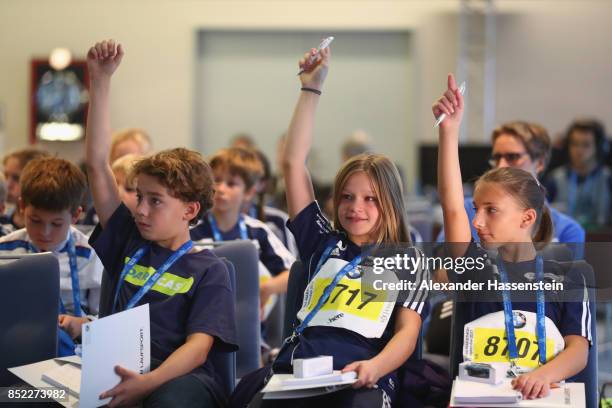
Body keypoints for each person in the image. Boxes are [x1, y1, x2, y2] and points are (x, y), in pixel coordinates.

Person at [235, 45, 428, 408]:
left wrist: (375, 366)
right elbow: (293, 164)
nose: (356, 208)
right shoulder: (322, 241)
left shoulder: (407, 258)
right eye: (347, 197)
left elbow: (407, 334)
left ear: (391, 203)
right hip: (297, 371)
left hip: (363, 374)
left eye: (370, 199)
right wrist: (311, 88)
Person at [85, 39, 237, 408]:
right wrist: (100, 80)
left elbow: (199, 349)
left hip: (181, 378)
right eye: (139, 197)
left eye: (156, 202)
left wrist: (146, 384)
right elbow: (95, 165)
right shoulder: (130, 240)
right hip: (116, 365)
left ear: (189, 210)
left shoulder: (209, 270)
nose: (141, 210)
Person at [434, 74, 591, 400]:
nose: (476, 221)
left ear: (527, 218)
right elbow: (451, 206)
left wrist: (544, 374)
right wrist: (448, 132)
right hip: (479, 395)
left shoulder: (570, 274)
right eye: (476, 209)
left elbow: (578, 348)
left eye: (491, 210)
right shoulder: (475, 267)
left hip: (541, 393)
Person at [0, 156, 103, 356]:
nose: (45, 232)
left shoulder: (90, 254)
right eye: (35, 220)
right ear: (22, 206)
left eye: (56, 224)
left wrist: (84, 324)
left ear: (75, 215)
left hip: (71, 350)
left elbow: (108, 316)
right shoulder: (5, 250)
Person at [436, 121, 585, 257]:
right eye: (496, 157)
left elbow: (567, 281)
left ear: (539, 162)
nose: (501, 166)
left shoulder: (568, 231)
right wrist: (449, 129)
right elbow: (452, 209)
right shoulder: (467, 208)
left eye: (513, 157)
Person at [190, 147, 295, 318]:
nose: (221, 188)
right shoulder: (192, 231)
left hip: (248, 324)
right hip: (201, 318)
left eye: (231, 183)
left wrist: (268, 288)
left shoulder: (258, 232)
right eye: (216, 180)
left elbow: (294, 273)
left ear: (248, 192)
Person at [545, 118, 612, 230]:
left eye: (586, 145)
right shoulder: (555, 178)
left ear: (599, 148)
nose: (579, 150)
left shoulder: (608, 179)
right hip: (562, 241)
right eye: (574, 144)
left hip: (602, 241)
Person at [1, 147, 50, 229]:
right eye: (6, 176)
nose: (7, 184)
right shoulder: (3, 220)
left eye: (16, 178)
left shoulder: (48, 228)